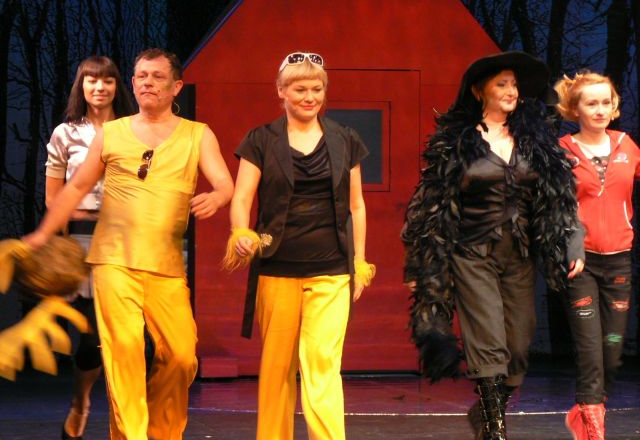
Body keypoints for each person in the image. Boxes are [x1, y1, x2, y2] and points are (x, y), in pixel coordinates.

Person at [23, 48, 234, 440]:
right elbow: (76, 188)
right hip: (113, 261)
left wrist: (219, 196)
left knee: (182, 357)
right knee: (124, 352)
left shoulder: (197, 134)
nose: (147, 82)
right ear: (133, 84)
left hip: (166, 265)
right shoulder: (113, 132)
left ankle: (162, 433)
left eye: (157, 76)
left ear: (176, 86)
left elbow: (224, 182)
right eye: (141, 76)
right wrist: (43, 233)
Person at [401, 51, 585, 440]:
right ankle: (497, 430)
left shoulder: (535, 141)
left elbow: (560, 198)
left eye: (514, 84)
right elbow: (427, 207)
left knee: (517, 345)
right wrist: (420, 266)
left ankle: (485, 416)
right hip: (472, 253)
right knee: (488, 339)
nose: (511, 90)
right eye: (502, 83)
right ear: (478, 91)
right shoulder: (456, 143)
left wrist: (572, 243)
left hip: (519, 256)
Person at [225, 52, 375, 440]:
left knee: (322, 364)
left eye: (317, 89)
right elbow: (242, 198)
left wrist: (359, 261)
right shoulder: (261, 139)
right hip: (277, 268)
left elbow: (357, 205)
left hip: (331, 270)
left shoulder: (345, 139)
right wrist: (241, 233)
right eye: (300, 89)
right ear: (281, 91)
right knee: (277, 369)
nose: (310, 97)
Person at [45, 56, 135, 440]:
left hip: (129, 241)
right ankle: (81, 402)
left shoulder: (134, 130)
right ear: (81, 87)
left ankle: (126, 417)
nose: (99, 87)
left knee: (125, 336)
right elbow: (53, 199)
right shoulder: (65, 134)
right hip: (82, 242)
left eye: (107, 80)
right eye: (91, 81)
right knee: (90, 339)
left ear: (117, 86)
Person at [555, 71, 638, 440]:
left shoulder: (627, 145)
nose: (601, 109)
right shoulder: (562, 151)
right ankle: (592, 424)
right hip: (581, 262)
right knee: (589, 348)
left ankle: (584, 412)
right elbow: (556, 209)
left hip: (619, 260)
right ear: (576, 109)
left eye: (606, 102)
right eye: (592, 103)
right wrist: (569, 249)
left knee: (612, 350)